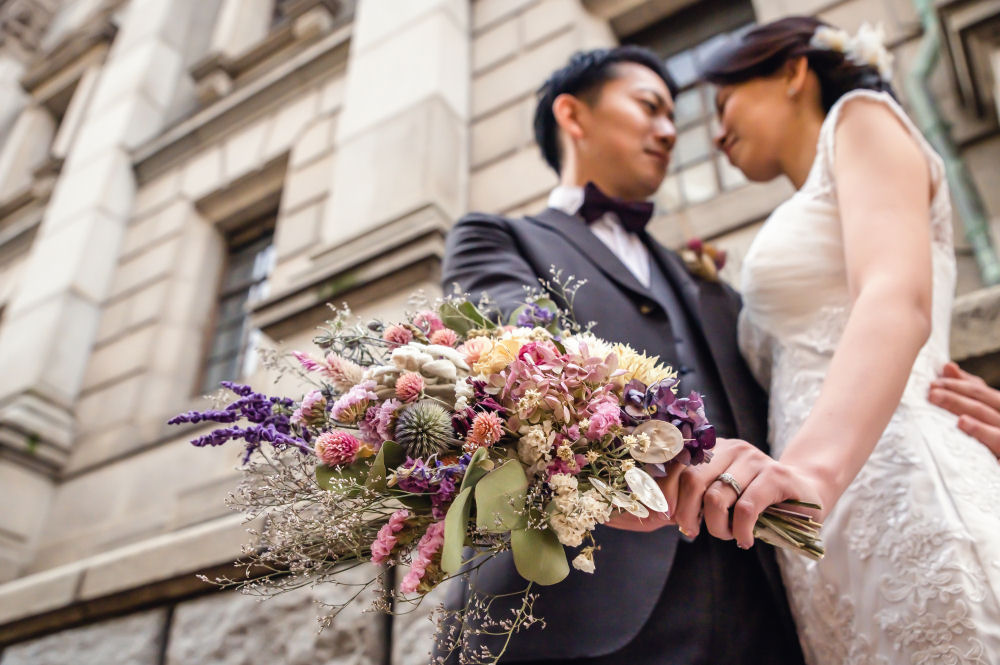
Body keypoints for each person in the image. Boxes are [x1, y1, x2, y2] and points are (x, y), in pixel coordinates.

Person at [436, 45, 805, 665]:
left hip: (753, 602)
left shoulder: (696, 272)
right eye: (649, 106)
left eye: (672, 115)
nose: (669, 130)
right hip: (572, 604)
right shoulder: (494, 237)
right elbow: (527, 365)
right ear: (574, 116)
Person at [661, 16, 1000, 663]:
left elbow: (896, 297)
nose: (716, 130)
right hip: (820, 527)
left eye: (725, 100)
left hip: (890, 478)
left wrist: (811, 471)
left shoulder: (863, 118)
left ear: (792, 71)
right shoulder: (804, 202)